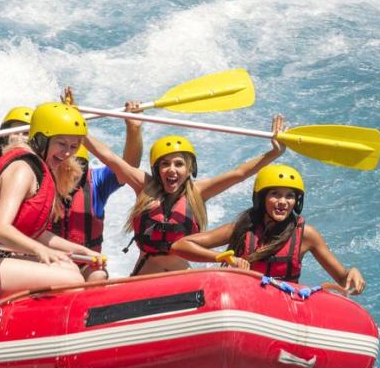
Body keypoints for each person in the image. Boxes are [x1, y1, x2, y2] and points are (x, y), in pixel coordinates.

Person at [84, 115, 287, 275]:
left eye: (179, 164)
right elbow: (109, 157)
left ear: (190, 169)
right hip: (144, 276)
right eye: (165, 164)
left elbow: (239, 174)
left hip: (182, 278)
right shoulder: (144, 186)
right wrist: (77, 128)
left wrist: (274, 153)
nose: (172, 170)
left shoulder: (198, 192)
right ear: (156, 170)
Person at [0, 103, 103, 298]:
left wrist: (84, 251)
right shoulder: (23, 169)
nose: (68, 153)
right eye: (61, 144)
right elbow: (0, 229)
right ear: (41, 139)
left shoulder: (42, 171)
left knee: (70, 268)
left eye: (73, 146)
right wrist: (40, 251)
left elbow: (36, 233)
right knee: (73, 281)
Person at [170, 164, 365, 293]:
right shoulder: (241, 229)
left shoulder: (306, 235)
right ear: (261, 198)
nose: (283, 202)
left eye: (290, 196)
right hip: (245, 302)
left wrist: (353, 273)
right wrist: (224, 257)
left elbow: (342, 279)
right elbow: (180, 246)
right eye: (275, 194)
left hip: (285, 306)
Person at [51, 109, 143, 282]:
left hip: (87, 264)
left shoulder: (96, 183)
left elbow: (127, 167)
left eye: (79, 166)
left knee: (98, 276)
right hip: (50, 261)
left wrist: (133, 129)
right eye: (67, 166)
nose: (72, 173)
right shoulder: (40, 181)